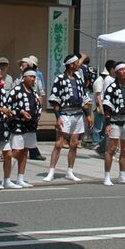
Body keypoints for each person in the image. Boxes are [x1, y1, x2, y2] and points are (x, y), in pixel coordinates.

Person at [44, 53, 92, 182]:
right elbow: (55, 100)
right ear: (71, 64)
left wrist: (88, 115)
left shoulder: (78, 78)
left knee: (74, 143)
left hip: (77, 114)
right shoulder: (60, 79)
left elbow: (83, 98)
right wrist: (58, 117)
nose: (78, 65)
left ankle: (70, 171)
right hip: (65, 114)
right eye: (76, 63)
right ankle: (51, 171)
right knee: (59, 143)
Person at [6, 68, 41, 187]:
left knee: (25, 151)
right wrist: (20, 112)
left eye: (34, 77)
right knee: (16, 151)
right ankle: (7, 178)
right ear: (24, 77)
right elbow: (8, 105)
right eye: (30, 76)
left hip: (30, 125)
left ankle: (20, 177)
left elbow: (37, 107)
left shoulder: (34, 92)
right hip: (18, 125)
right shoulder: (16, 90)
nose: (33, 79)